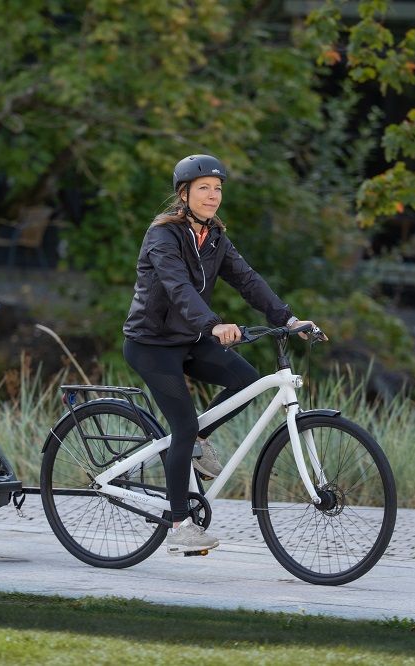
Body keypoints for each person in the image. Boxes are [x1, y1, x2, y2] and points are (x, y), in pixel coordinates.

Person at [123, 154, 325, 555]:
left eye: (217, 189)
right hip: (151, 344)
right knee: (180, 425)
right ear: (184, 194)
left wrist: (287, 319)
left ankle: (200, 438)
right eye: (204, 189)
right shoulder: (163, 236)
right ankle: (180, 525)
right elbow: (178, 287)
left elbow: (248, 280)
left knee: (246, 381)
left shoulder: (215, 236)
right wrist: (213, 324)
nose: (213, 196)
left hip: (189, 338)